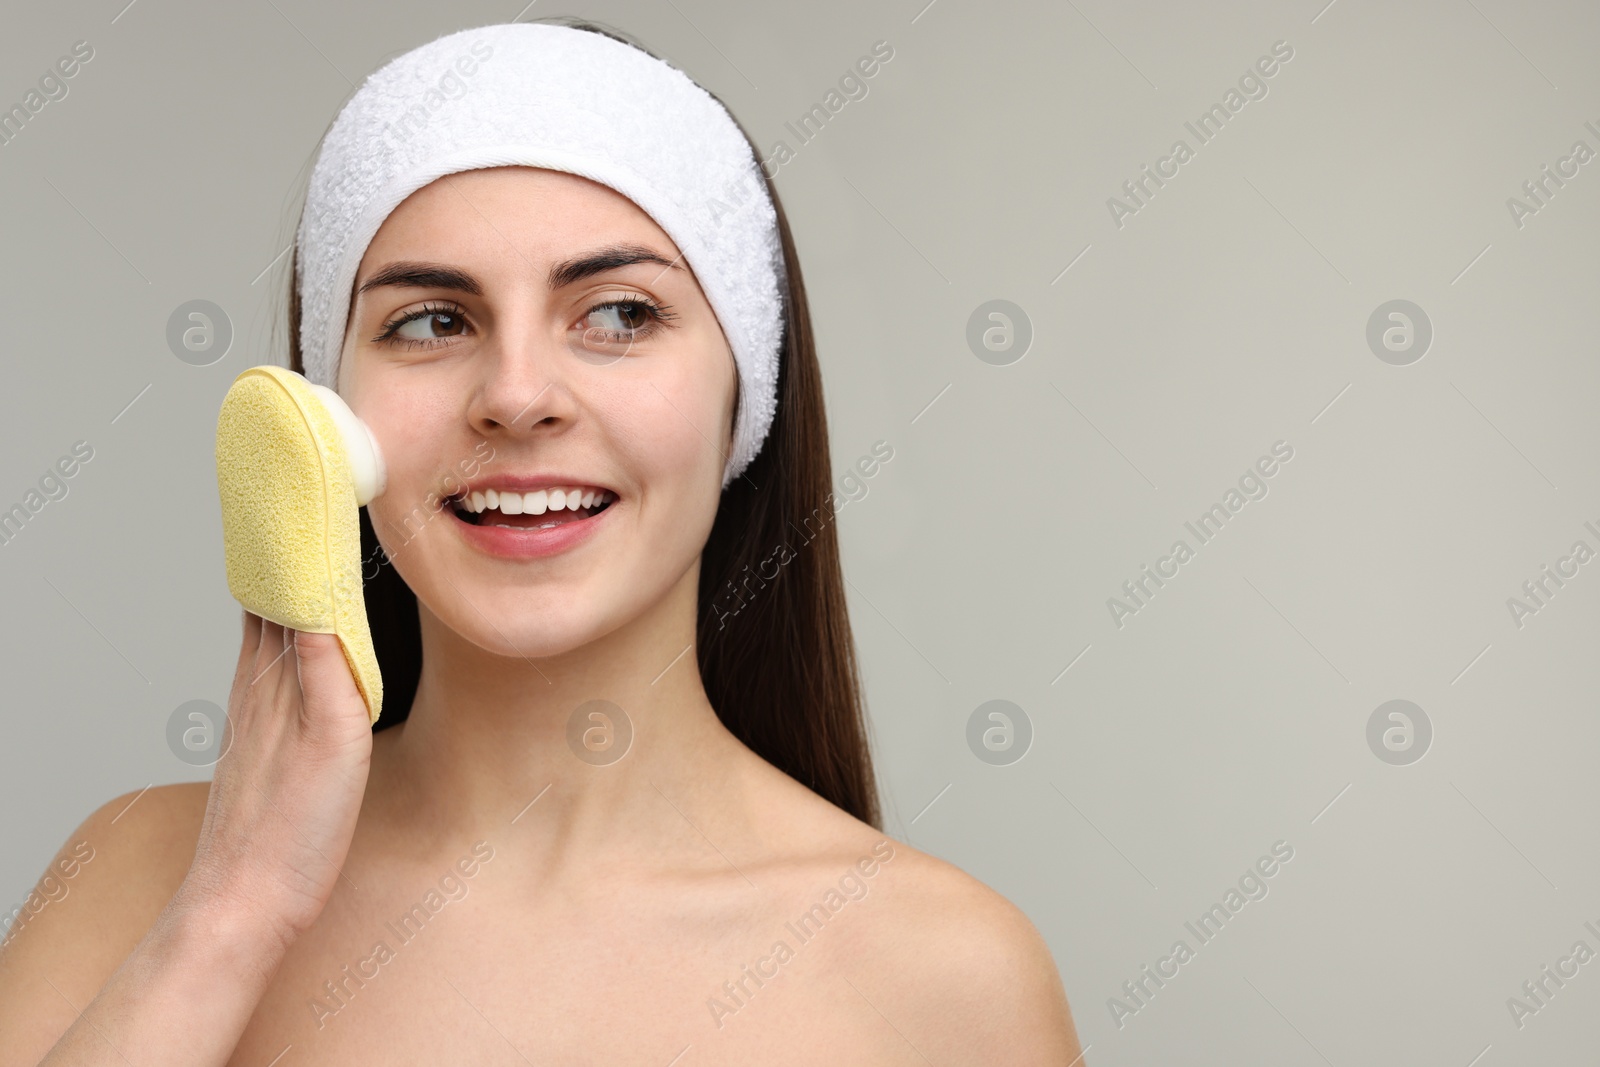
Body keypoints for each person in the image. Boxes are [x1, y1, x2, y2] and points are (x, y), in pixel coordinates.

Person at [0, 17, 1083, 1064]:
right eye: (431, 321)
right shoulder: (141, 879)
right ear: (330, 421)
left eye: (617, 313)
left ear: (743, 394)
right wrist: (234, 913)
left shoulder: (944, 976)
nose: (517, 397)